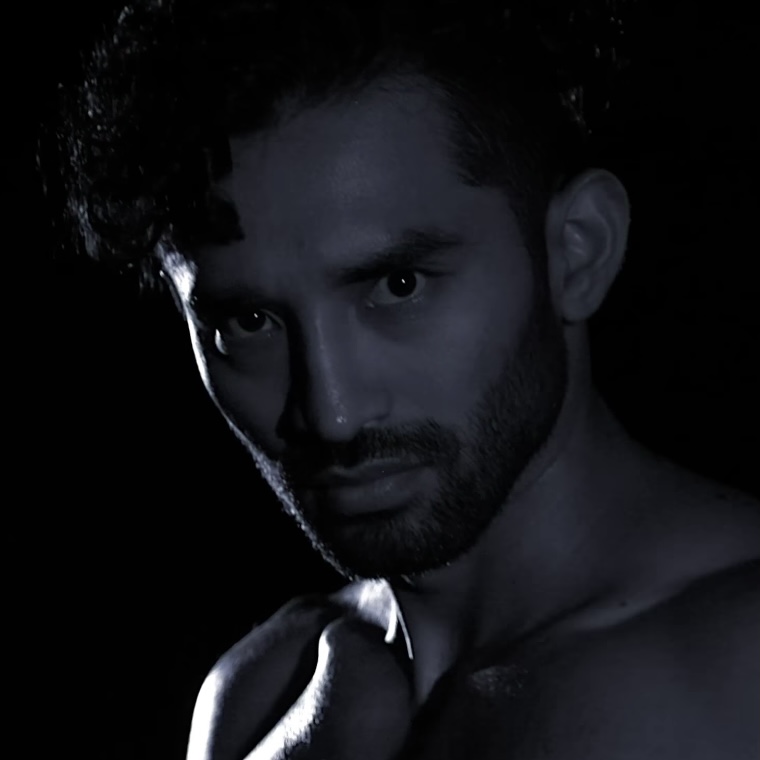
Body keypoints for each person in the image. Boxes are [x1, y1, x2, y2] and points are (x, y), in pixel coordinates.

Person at [42, 1, 760, 758]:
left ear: (576, 253)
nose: (333, 414)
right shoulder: (256, 696)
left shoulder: (738, 674)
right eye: (248, 323)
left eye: (399, 285)